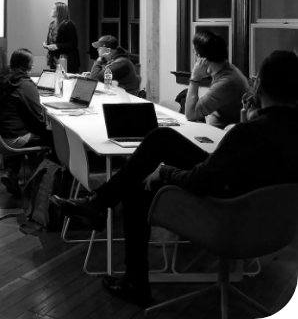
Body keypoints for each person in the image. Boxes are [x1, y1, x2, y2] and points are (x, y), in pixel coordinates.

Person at [51, 50, 298, 308]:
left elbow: (198, 182)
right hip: (268, 218)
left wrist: (164, 172)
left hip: (225, 212)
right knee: (162, 138)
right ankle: (99, 204)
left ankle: (133, 276)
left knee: (138, 187)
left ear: (259, 85)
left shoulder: (248, 133)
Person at [0, 48, 55, 195]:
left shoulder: (1, 80)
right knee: (57, 140)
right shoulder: (25, 84)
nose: (33, 66)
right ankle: (44, 186)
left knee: (26, 127)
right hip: (14, 139)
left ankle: (12, 173)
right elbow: (38, 120)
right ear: (28, 66)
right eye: (32, 63)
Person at [185, 30, 249, 127]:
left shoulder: (226, 82)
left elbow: (190, 114)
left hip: (221, 134)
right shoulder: (229, 70)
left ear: (201, 59)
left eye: (195, 53)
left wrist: (194, 79)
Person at [43, 2, 80, 73]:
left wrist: (57, 46)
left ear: (59, 12)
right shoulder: (52, 24)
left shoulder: (69, 24)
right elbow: (50, 39)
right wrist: (46, 44)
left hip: (66, 59)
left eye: (54, 9)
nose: (52, 10)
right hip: (53, 59)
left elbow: (73, 44)